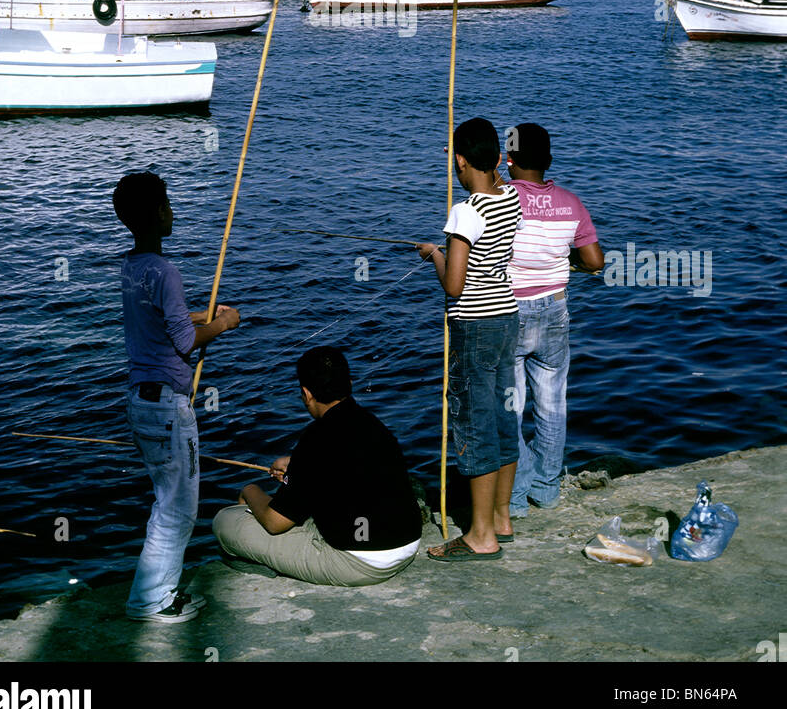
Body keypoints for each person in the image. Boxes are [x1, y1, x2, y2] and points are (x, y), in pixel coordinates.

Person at [113, 171, 240, 623]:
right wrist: (222, 324)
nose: (172, 210)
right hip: (168, 407)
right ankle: (151, 602)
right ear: (158, 213)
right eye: (167, 203)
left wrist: (204, 313)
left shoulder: (132, 267)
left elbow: (165, 320)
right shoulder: (166, 271)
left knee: (164, 502)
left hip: (141, 402)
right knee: (178, 510)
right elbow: (185, 342)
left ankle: (155, 593)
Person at [212, 347, 421, 585]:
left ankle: (261, 564)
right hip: (407, 544)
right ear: (349, 383)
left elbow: (274, 523)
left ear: (306, 393)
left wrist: (250, 490)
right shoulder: (372, 423)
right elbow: (351, 464)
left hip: (358, 562)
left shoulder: (315, 439)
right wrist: (297, 466)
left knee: (225, 521)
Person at [417, 117, 522, 560]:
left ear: (460, 160)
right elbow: (489, 175)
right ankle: (501, 516)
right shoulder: (510, 195)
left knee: (474, 422)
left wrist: (436, 255)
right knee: (501, 415)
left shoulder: (465, 212)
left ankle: (480, 535)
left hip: (474, 323)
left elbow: (454, 285)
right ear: (498, 159)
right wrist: (466, 160)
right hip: (506, 318)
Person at [502, 124, 604, 516]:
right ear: (548, 160)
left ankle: (514, 496)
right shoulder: (571, 202)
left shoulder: (499, 199)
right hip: (555, 310)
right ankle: (545, 489)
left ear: (508, 159)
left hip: (509, 312)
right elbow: (595, 263)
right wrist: (564, 259)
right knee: (551, 404)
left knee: (508, 407)